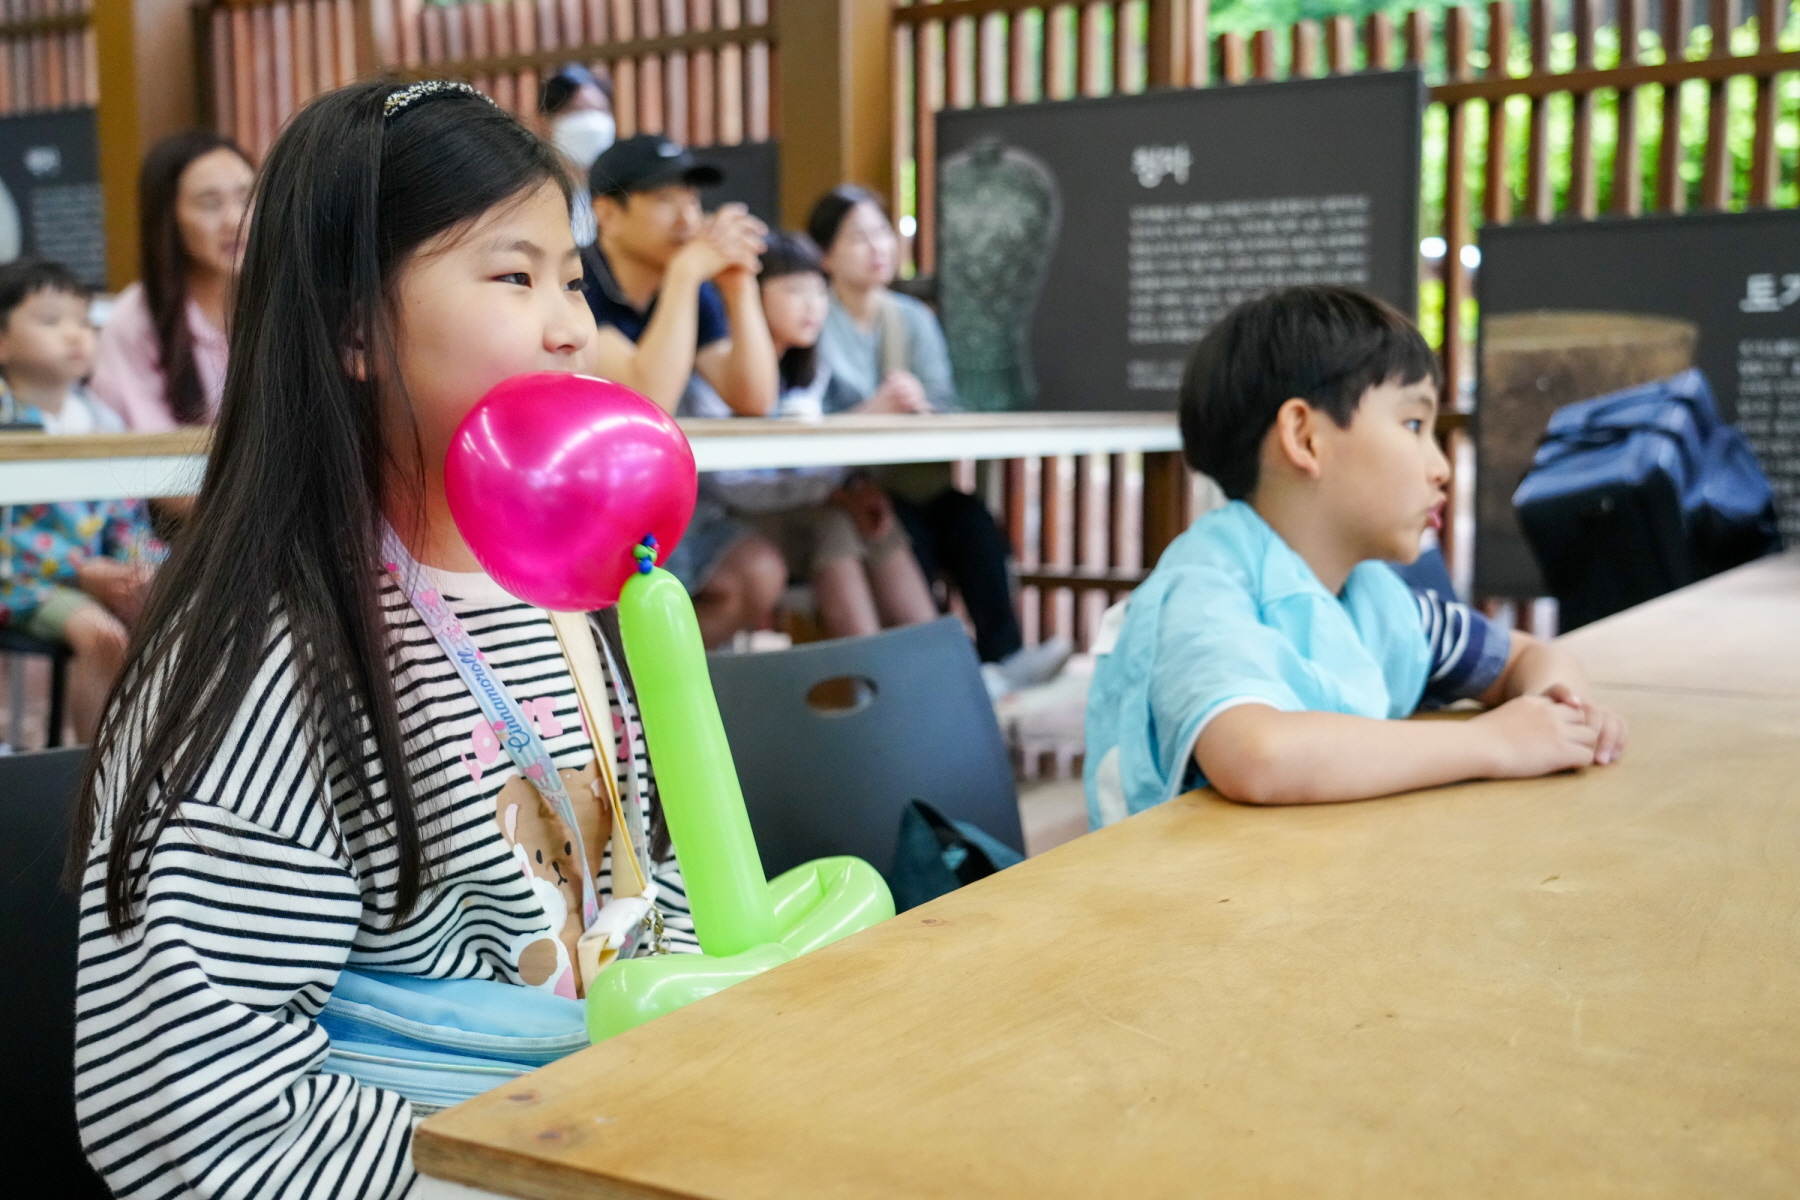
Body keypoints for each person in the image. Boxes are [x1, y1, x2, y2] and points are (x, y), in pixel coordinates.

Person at [68, 80, 701, 1199]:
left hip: (622, 1125)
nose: (573, 326)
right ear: (354, 326)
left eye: (573, 279)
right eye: (514, 276)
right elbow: (184, 1102)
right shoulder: (269, 656)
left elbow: (651, 871)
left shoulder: (566, 590)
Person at [1084, 286, 1628, 825]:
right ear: (1305, 437)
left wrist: (1560, 709)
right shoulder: (1203, 592)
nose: (1440, 467)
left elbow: (1526, 659)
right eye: (1414, 426)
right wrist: (1491, 743)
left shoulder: (1374, 600)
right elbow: (1258, 756)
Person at [808, 185, 1068, 696]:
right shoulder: (814, 318)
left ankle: (1003, 657)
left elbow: (946, 402)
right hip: (845, 490)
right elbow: (806, 415)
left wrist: (920, 407)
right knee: (905, 532)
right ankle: (934, 681)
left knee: (972, 523)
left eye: (882, 232)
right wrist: (873, 412)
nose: (877, 247)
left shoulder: (913, 318)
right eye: (859, 237)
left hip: (917, 480)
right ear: (826, 254)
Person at [582, 133, 783, 647]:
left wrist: (738, 287)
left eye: (693, 200)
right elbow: (646, 400)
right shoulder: (576, 280)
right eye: (665, 199)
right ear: (607, 214)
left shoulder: (686, 285)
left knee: (757, 571)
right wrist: (688, 271)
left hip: (658, 502)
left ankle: (664, 691)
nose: (688, 218)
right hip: (590, 507)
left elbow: (754, 399)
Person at [687, 232, 938, 638]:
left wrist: (846, 487)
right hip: (724, 523)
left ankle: (937, 666)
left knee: (875, 517)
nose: (813, 307)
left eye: (820, 292)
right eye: (795, 291)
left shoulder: (811, 372)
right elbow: (732, 486)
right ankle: (876, 678)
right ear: (751, 295)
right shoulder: (717, 368)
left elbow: (808, 461)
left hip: (788, 512)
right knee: (834, 524)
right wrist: (832, 482)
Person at [0, 259, 161, 741]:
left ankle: (158, 752)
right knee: (102, 636)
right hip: (19, 581)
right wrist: (79, 572)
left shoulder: (102, 420)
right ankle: (96, 766)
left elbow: (128, 515)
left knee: (176, 606)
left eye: (83, 322)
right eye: (51, 321)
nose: (75, 335)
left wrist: (140, 564)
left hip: (89, 577)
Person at [91, 130, 253, 431]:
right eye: (210, 204)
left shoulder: (287, 298)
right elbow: (149, 446)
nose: (236, 219)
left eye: (247, 197)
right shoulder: (137, 316)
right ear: (169, 219)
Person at [539, 61, 615, 246]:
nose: (593, 123)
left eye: (600, 110)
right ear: (544, 123)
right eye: (577, 110)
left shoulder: (627, 189)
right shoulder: (532, 194)